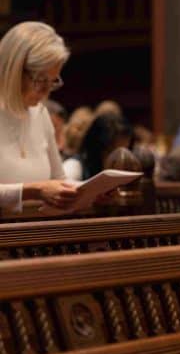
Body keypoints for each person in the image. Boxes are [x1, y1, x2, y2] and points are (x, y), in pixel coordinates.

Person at [0, 21, 81, 212]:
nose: (46, 92)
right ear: (14, 71)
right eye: (40, 80)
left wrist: (92, 190)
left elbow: (59, 180)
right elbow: (42, 189)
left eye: (52, 81)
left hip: (38, 231)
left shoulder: (41, 114)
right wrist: (34, 191)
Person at [63, 112, 134, 180]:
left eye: (126, 150)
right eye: (111, 151)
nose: (120, 159)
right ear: (96, 148)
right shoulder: (73, 167)